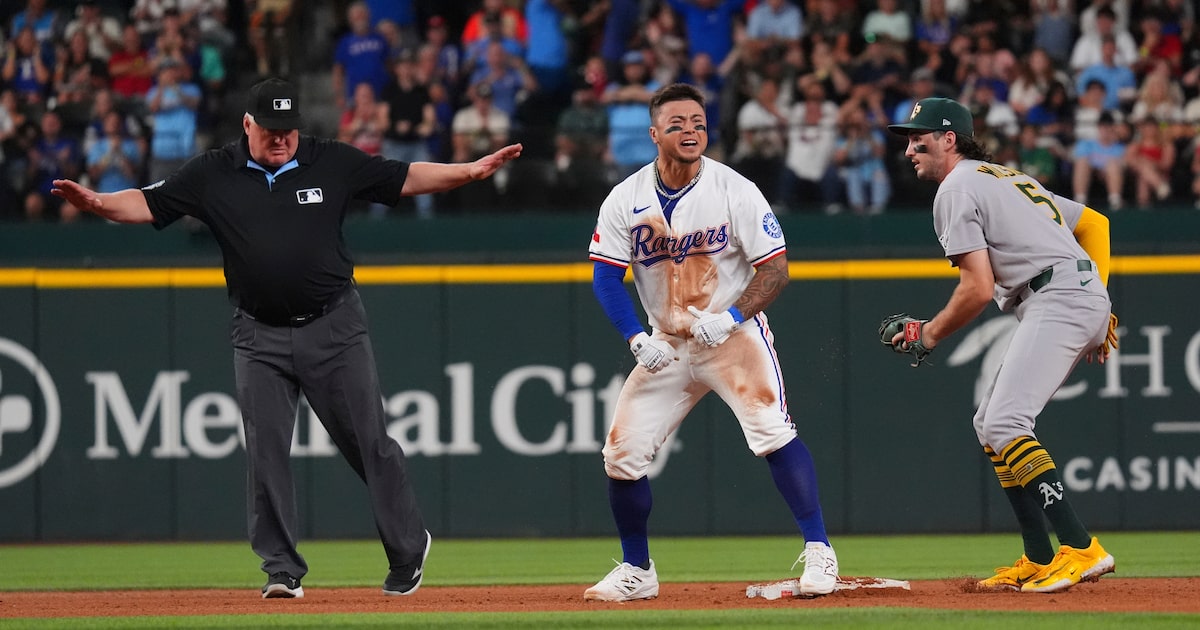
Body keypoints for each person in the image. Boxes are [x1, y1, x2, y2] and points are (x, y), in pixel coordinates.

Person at [50, 77, 523, 599]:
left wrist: (470, 171)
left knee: (369, 444)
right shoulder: (213, 173)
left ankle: (409, 547)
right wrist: (96, 202)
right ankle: (281, 569)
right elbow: (146, 203)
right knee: (266, 452)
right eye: (271, 129)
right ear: (248, 124)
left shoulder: (331, 161)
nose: (281, 139)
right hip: (257, 334)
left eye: (289, 130)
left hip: (334, 325)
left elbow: (408, 177)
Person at [584, 82, 839, 602]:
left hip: (732, 334)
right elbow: (606, 276)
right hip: (666, 343)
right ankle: (638, 569)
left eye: (698, 122)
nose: (690, 130)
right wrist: (635, 337)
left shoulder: (734, 189)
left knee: (771, 429)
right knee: (621, 455)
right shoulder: (626, 198)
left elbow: (775, 271)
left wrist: (731, 316)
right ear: (654, 133)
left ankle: (820, 550)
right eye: (677, 123)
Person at [885, 97, 1118, 594]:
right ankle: (1038, 554)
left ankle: (1081, 547)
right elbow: (1094, 224)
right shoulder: (1005, 177)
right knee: (989, 424)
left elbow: (975, 287)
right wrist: (1098, 296)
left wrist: (927, 334)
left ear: (950, 139)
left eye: (918, 137)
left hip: (1057, 296)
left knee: (1006, 422)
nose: (909, 148)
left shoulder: (956, 187)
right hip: (1067, 293)